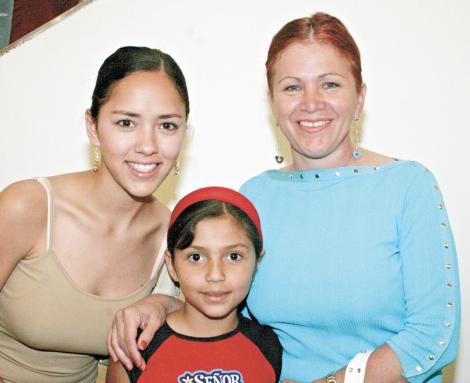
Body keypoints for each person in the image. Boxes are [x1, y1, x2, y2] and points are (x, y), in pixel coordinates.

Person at [109, 12, 460, 383]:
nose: (311, 103)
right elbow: (225, 306)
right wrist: (161, 304)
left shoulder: (408, 186)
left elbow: (434, 336)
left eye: (330, 85)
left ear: (360, 97)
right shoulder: (255, 197)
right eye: (292, 87)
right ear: (272, 101)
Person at [0, 46, 189, 383]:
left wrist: (164, 304)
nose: (147, 145)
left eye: (167, 126)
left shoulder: (173, 236)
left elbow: (204, 316)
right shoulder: (27, 206)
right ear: (93, 127)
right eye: (126, 122)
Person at [106, 186, 282, 383]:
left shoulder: (267, 345)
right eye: (196, 257)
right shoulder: (135, 346)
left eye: (234, 256)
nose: (215, 275)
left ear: (257, 262)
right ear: (171, 265)